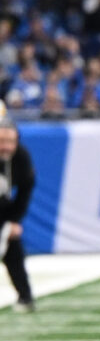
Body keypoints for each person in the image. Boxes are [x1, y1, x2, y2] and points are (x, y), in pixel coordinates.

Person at [0, 120, 36, 313]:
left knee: (13, 248)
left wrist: (14, 220)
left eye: (10, 141)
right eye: (1, 141)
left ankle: (25, 296)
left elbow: (25, 189)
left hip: (3, 207)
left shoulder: (21, 157)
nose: (6, 146)